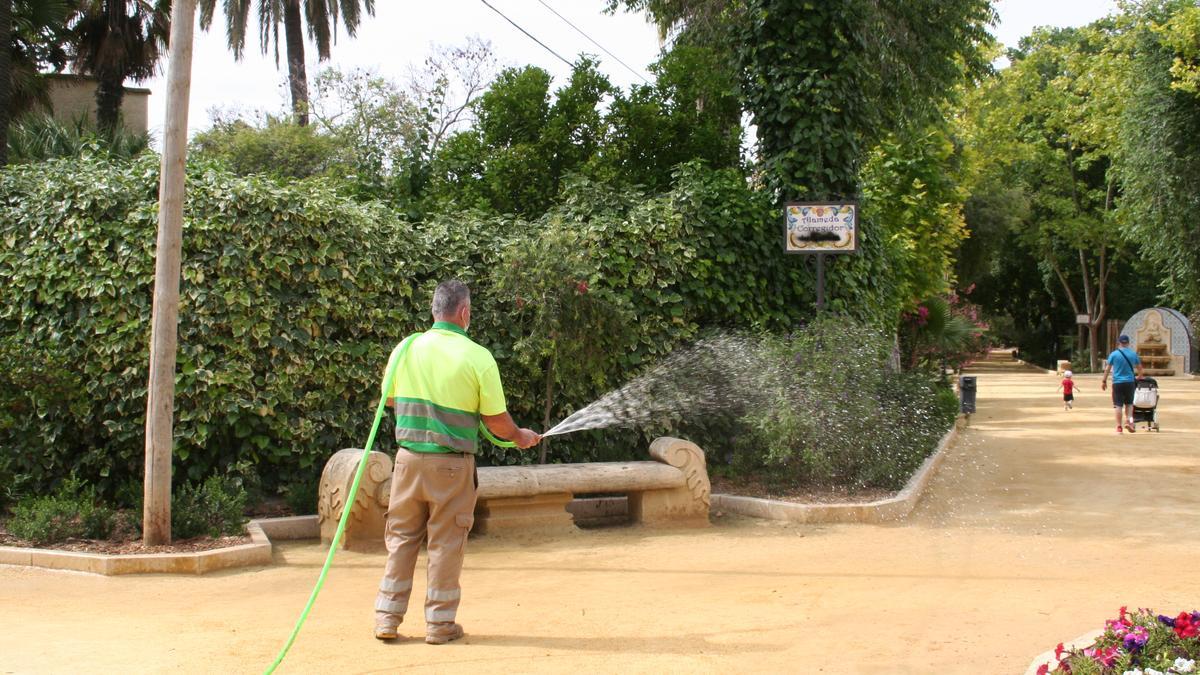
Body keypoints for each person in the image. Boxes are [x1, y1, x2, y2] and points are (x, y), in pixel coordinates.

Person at [374, 280, 541, 644]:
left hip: (406, 462)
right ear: (464, 313)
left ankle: (387, 618)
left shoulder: (406, 348)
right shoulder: (477, 356)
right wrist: (519, 436)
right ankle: (439, 624)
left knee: (401, 538)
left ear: (435, 310)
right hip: (451, 468)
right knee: (446, 543)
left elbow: (389, 400)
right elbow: (496, 420)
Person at [1101, 335, 1145, 434]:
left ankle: (1119, 427)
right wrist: (1138, 377)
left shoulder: (1114, 354)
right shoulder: (1133, 354)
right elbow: (1140, 370)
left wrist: (1104, 381)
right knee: (1129, 404)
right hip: (1130, 382)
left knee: (1118, 405)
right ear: (1128, 343)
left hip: (1117, 383)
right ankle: (1129, 422)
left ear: (1119, 343)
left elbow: (1107, 369)